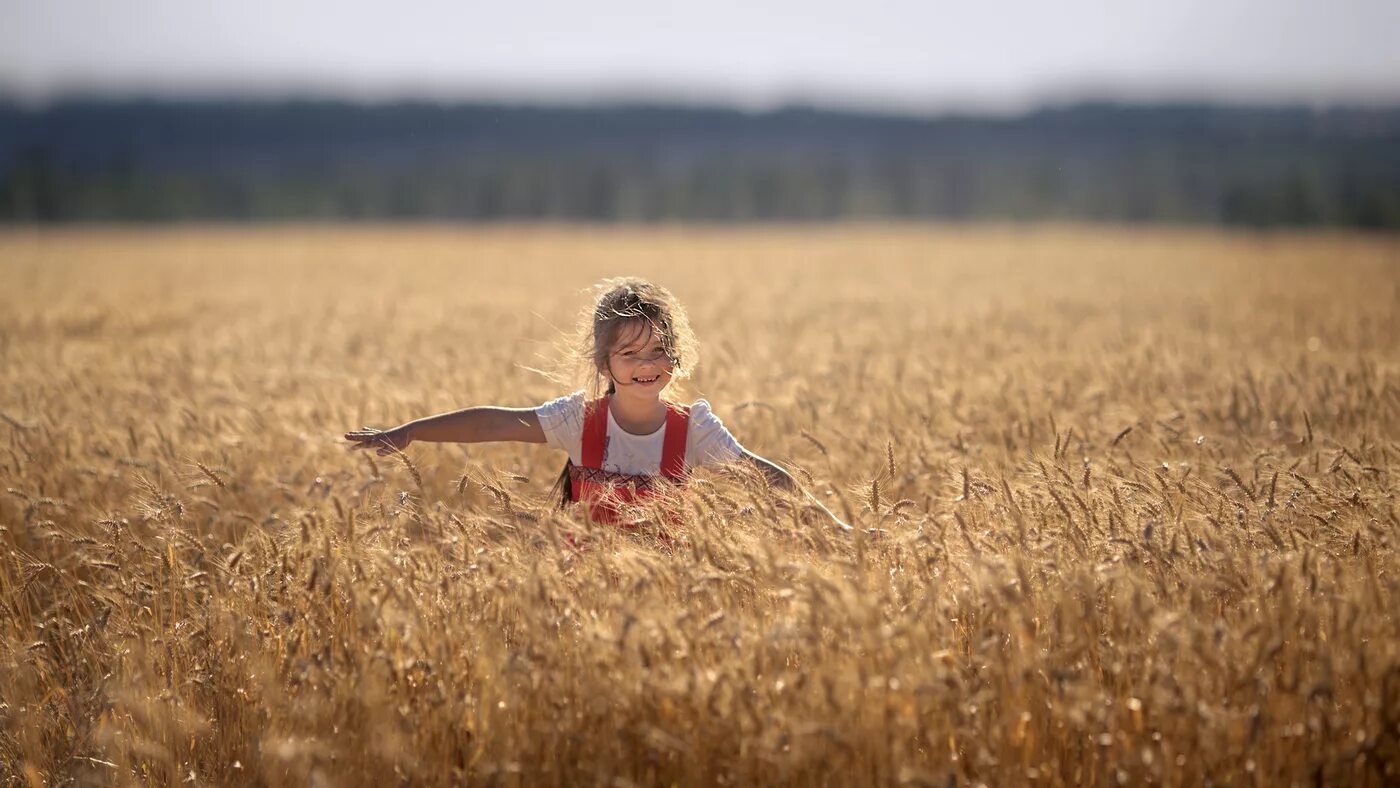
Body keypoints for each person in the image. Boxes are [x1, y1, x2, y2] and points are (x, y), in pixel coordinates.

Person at [344, 277, 849, 533]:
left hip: (667, 607)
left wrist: (838, 527)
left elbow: (766, 477)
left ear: (675, 355)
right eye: (629, 354)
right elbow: (493, 423)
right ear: (604, 364)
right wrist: (411, 430)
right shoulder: (577, 420)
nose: (645, 365)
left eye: (657, 351)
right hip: (583, 604)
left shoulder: (693, 429)